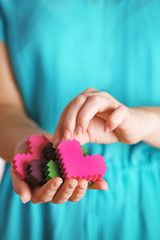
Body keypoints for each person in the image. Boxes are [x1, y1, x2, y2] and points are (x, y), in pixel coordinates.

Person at [0, 1, 160, 240]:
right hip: (37, 212)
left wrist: (145, 122)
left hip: (150, 204)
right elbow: (4, 106)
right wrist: (27, 145)